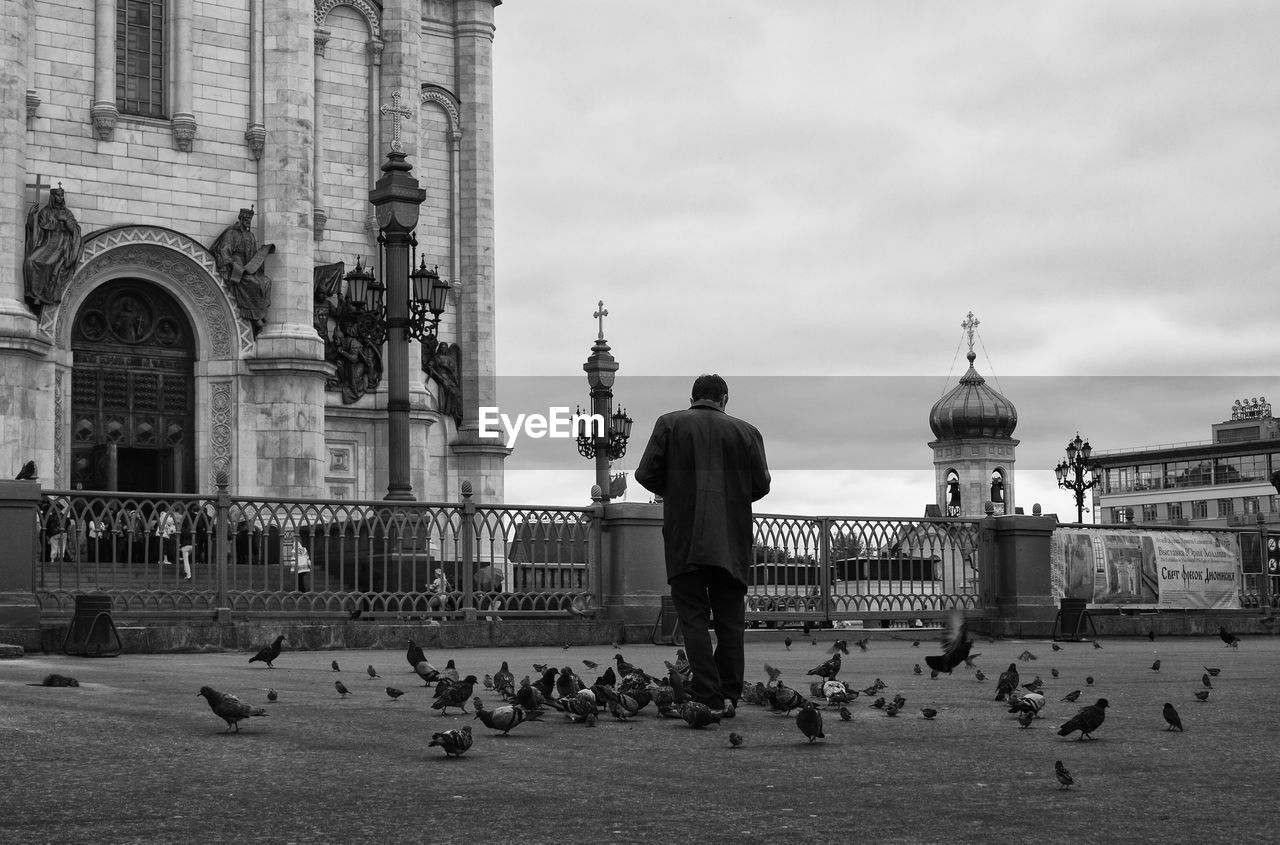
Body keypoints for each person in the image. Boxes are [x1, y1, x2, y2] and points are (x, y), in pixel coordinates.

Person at [635, 373, 770, 717]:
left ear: (693, 397)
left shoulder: (669, 424)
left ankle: (707, 695)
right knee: (730, 623)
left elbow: (645, 474)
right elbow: (761, 484)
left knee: (693, 620)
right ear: (724, 399)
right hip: (730, 540)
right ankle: (730, 695)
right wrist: (732, 495)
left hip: (685, 538)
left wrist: (678, 489)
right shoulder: (747, 432)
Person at [210, 207, 274, 333]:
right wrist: (233, 264)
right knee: (253, 284)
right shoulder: (231, 233)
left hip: (249, 267)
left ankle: (260, 313)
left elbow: (253, 254)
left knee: (266, 282)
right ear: (241, 218)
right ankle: (255, 318)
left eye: (250, 219)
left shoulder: (250, 235)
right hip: (237, 267)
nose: (248, 221)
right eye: (246, 218)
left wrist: (260, 257)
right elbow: (224, 250)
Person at [24, 185, 83, 314]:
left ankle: (41, 296)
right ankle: (33, 294)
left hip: (61, 245)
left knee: (49, 263)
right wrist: (31, 216)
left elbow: (75, 230)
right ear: (52, 197)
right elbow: (36, 230)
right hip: (46, 243)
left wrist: (66, 221)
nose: (60, 198)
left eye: (61, 195)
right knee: (30, 261)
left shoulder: (67, 213)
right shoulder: (45, 212)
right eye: (57, 195)